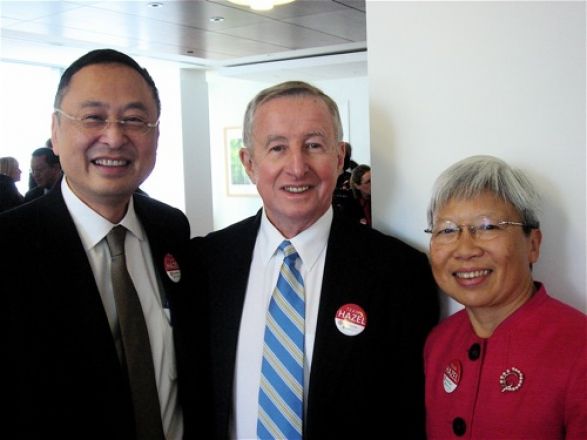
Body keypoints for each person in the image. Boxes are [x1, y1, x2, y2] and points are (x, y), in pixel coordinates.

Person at [190, 81, 440, 439]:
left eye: (313, 146)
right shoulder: (207, 263)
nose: (297, 167)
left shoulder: (399, 271)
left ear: (339, 158)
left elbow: (408, 416)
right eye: (277, 148)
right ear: (249, 162)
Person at [1, 48, 201, 439]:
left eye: (134, 120)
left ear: (155, 135)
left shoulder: (171, 228)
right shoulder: (10, 247)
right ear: (56, 132)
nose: (114, 136)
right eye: (93, 118)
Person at [423, 155, 586, 439]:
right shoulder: (439, 341)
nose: (465, 249)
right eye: (447, 230)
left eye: (487, 227)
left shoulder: (579, 347)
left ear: (532, 244)